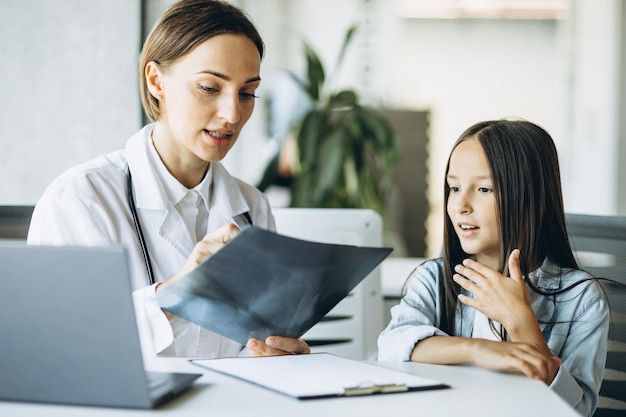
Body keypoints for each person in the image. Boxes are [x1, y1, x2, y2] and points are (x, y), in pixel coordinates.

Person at [27, 0, 310, 359]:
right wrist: (178, 294)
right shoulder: (79, 200)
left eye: (247, 92)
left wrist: (277, 357)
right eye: (209, 87)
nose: (232, 114)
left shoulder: (252, 207)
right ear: (156, 80)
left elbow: (246, 348)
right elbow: (60, 351)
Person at [377, 119, 608, 417]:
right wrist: (477, 349)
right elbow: (392, 346)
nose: (461, 204)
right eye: (454, 187)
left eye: (484, 189)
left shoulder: (582, 300)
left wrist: (521, 321)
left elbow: (575, 411)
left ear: (531, 198)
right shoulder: (433, 279)